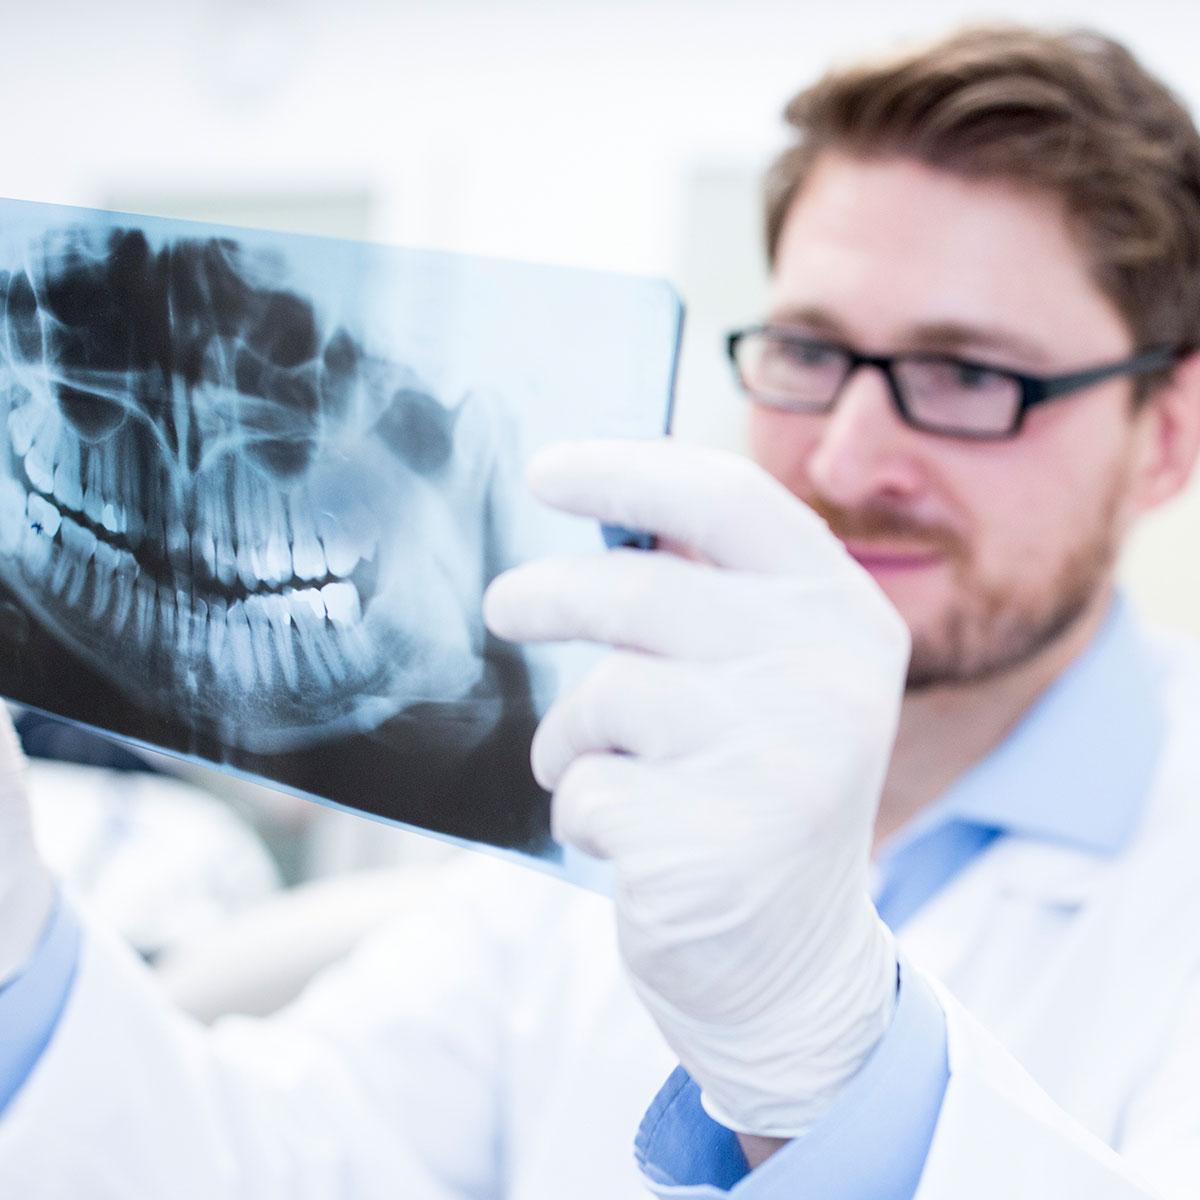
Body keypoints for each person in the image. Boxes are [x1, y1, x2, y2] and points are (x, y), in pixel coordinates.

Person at [2, 21, 1200, 1199]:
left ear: (1166, 440)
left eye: (970, 376)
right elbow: (284, 1164)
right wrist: (15, 958)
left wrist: (836, 1079)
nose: (846, 455)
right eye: (809, 352)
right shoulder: (611, 759)